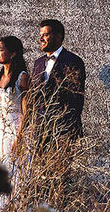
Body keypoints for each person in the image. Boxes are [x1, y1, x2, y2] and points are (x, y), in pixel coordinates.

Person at [25, 19, 86, 155]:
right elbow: (34, 97)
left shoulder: (73, 61)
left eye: (45, 35)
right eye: (40, 35)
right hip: (40, 133)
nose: (41, 38)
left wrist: (65, 132)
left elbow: (76, 99)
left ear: (58, 36)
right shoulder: (38, 63)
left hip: (63, 132)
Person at [0, 36, 30, 165]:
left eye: (0, 50)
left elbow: (27, 111)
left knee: (9, 167)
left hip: (13, 129)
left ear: (13, 53)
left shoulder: (22, 77)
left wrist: (19, 138)